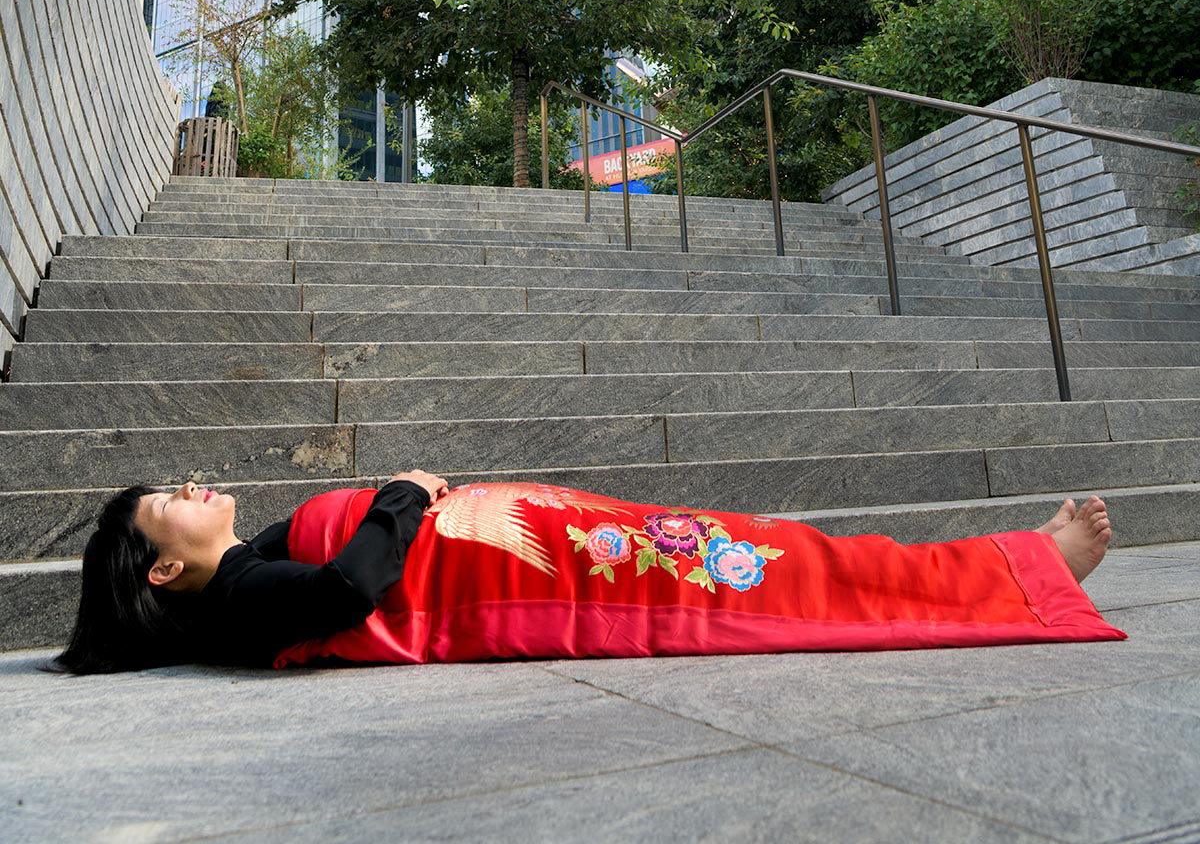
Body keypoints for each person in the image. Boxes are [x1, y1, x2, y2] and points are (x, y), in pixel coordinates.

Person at [56, 472, 1122, 676]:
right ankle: (1020, 572)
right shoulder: (241, 599)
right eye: (169, 501)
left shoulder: (244, 564)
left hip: (561, 542)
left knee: (781, 555)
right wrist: (398, 498)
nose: (194, 486)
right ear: (160, 569)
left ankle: (1009, 565)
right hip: (568, 570)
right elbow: (349, 591)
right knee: (788, 569)